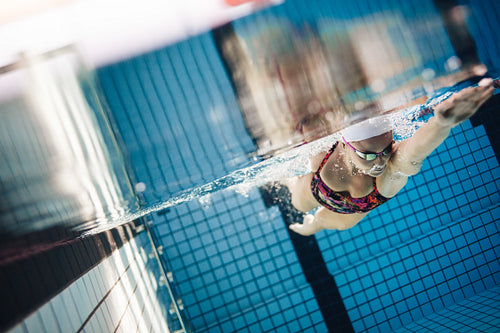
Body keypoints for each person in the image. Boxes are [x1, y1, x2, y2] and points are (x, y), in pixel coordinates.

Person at [287, 78, 495, 236]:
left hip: (350, 213)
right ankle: (303, 209)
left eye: (386, 150)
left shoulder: (387, 173)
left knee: (325, 221)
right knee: (299, 204)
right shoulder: (325, 150)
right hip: (318, 189)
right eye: (368, 155)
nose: (380, 163)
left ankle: (316, 224)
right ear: (344, 145)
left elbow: (411, 156)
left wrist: (442, 122)